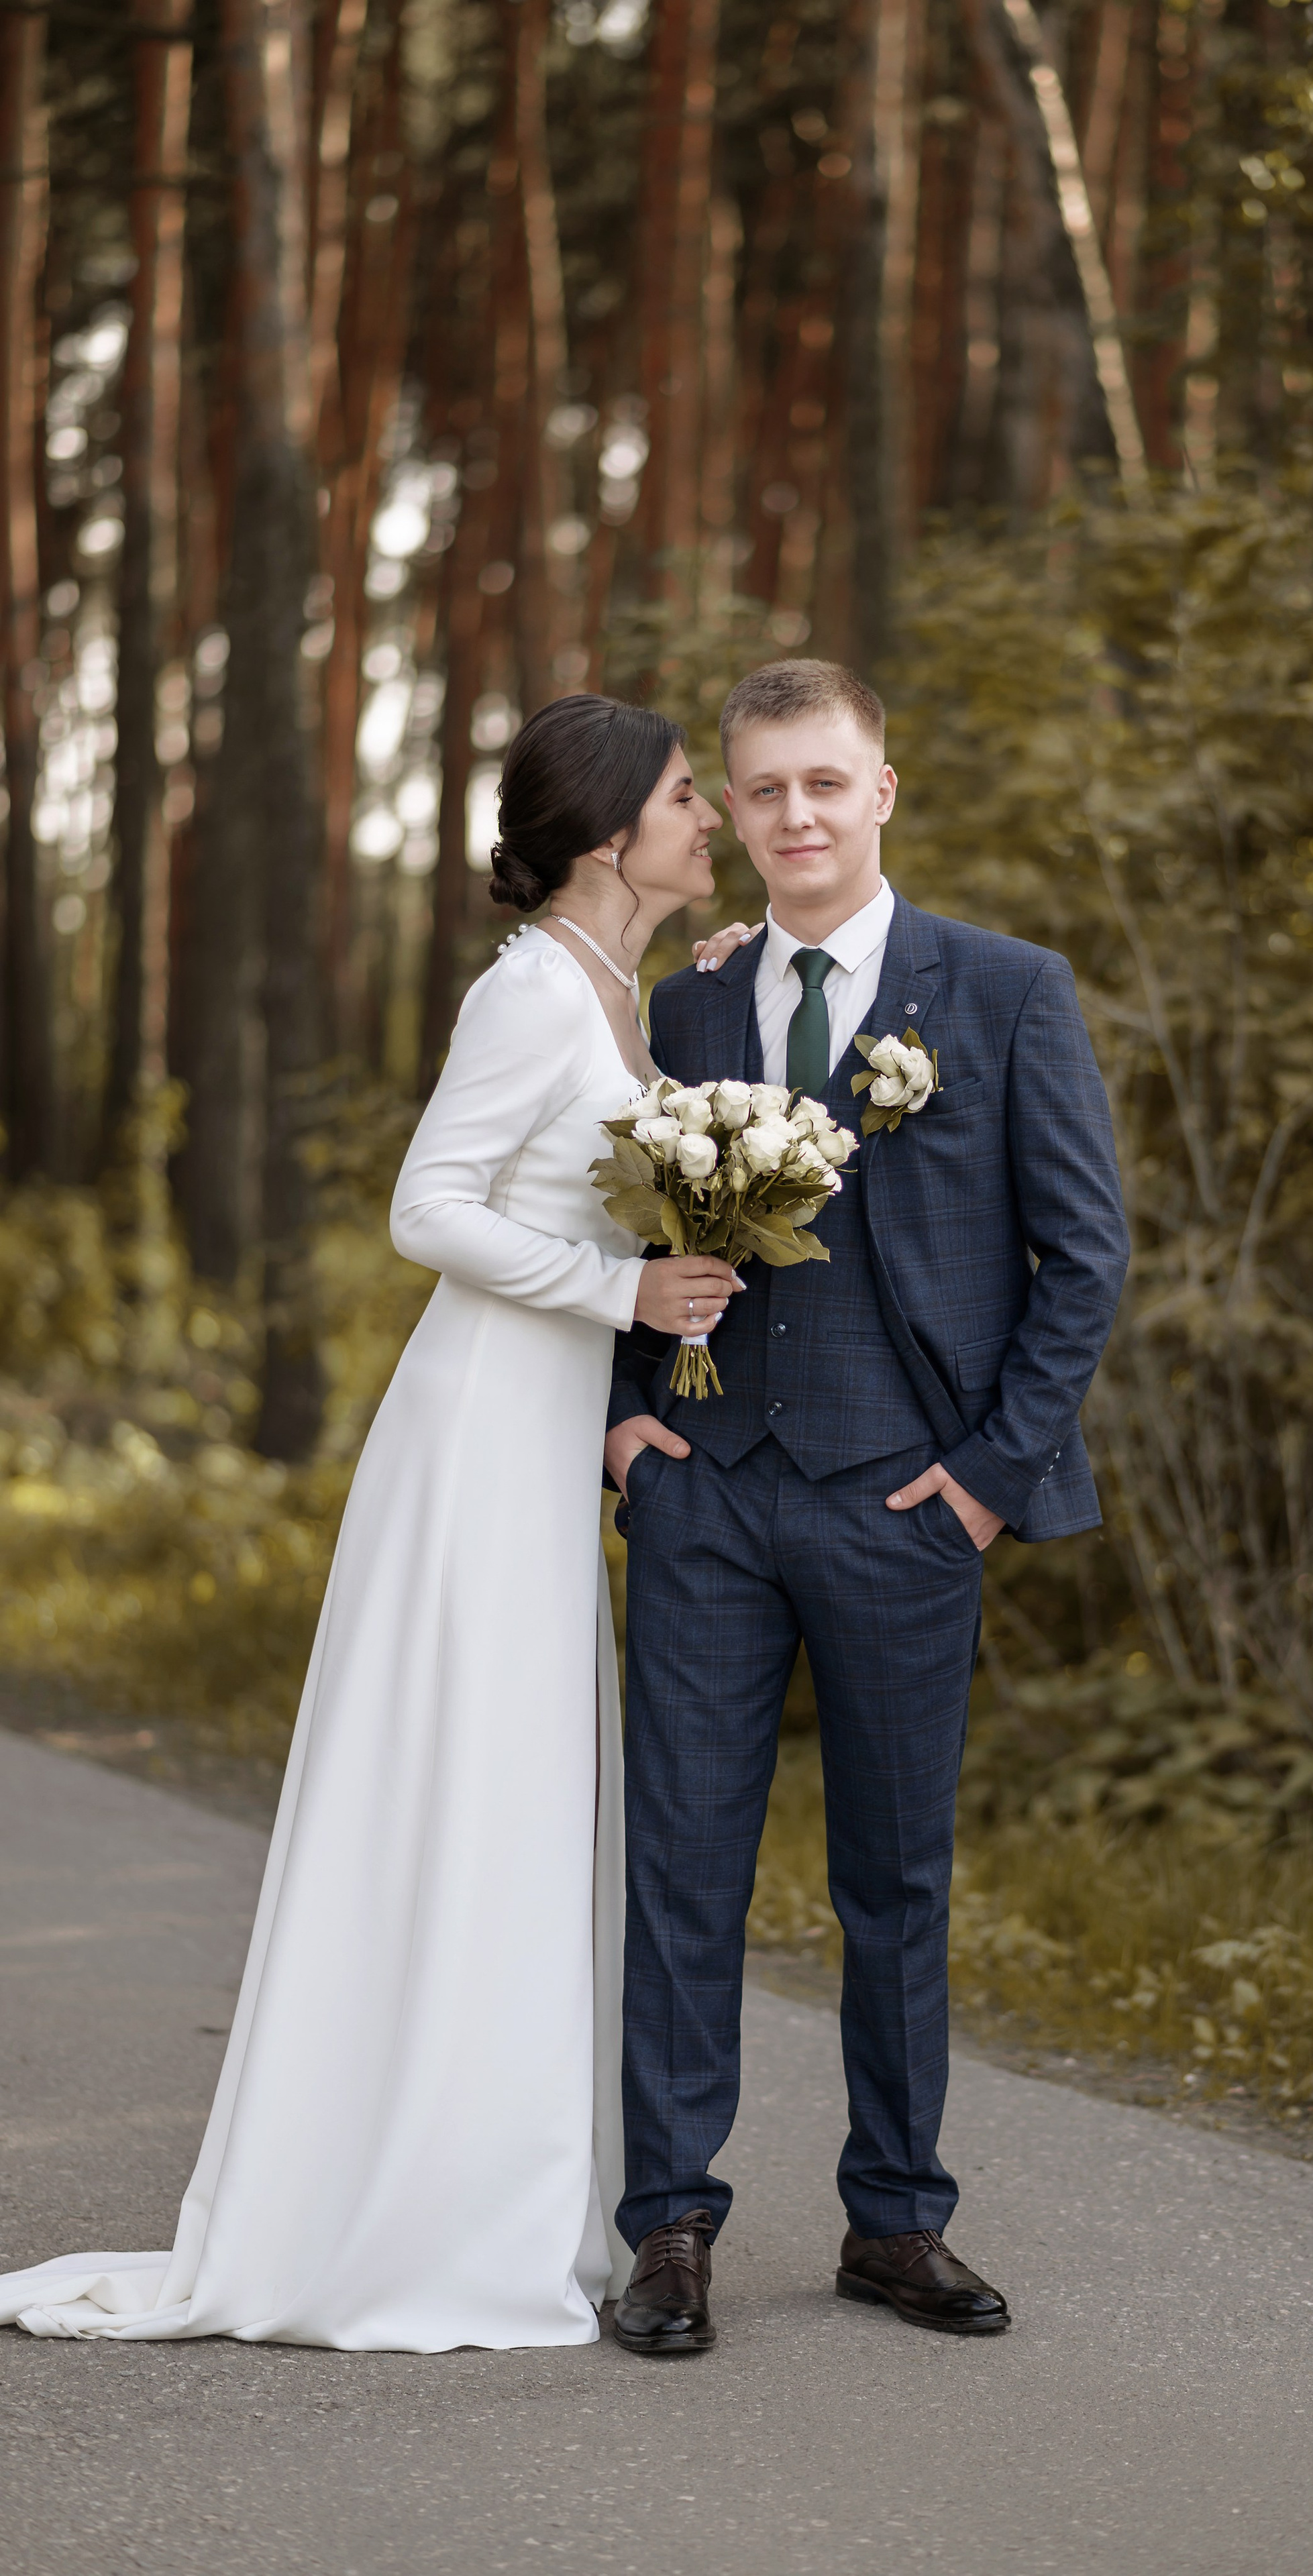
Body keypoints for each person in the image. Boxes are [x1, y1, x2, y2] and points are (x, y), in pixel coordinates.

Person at [0, 696, 753, 2352]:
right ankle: (413, 2207)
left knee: (523, 1801)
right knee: (469, 1788)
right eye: (687, 797)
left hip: (549, 1433)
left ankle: (489, 2181)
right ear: (609, 831)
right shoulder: (529, 992)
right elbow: (429, 1207)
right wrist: (618, 1292)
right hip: (479, 1432)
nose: (709, 818)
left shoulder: (620, 987)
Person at [605, 658, 1130, 2356]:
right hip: (705, 1500)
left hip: (905, 1508)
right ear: (733, 807)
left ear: (880, 791)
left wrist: (981, 1484)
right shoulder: (687, 1006)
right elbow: (611, 1232)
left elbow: (1083, 1258)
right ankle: (668, 2225)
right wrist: (621, 1432)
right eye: (762, 790)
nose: (795, 816)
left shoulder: (1006, 990)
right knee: (681, 1870)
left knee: (893, 1882)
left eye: (824, 783)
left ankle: (894, 2221)